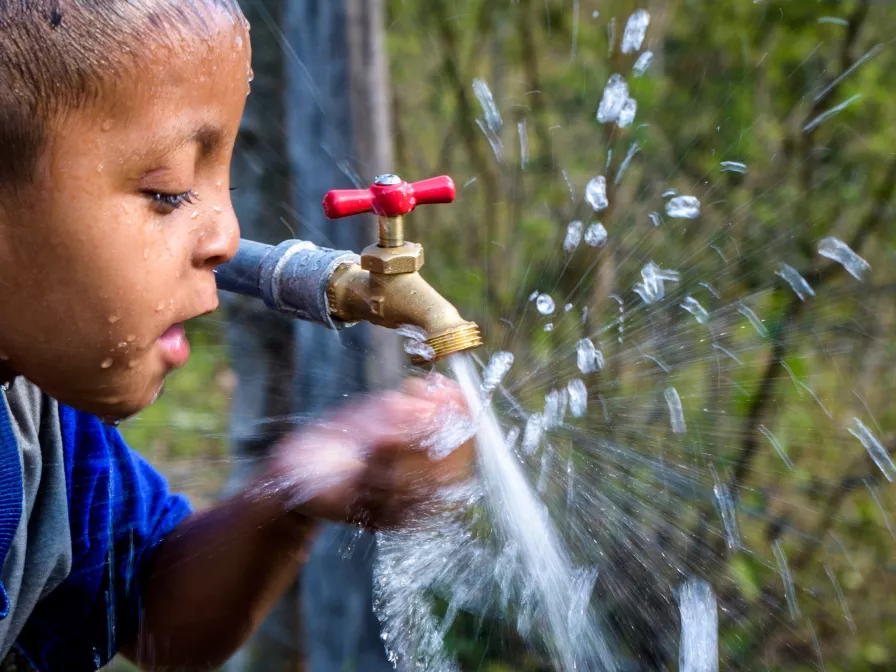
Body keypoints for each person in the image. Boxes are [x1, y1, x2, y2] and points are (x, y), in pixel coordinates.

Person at [0, 2, 473, 670]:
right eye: (167, 191)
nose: (225, 235)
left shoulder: (42, 416)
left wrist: (291, 495)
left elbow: (154, 618)